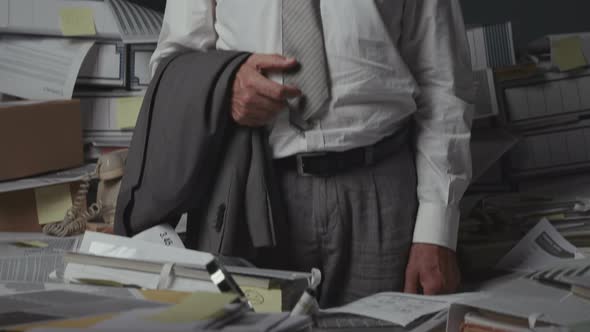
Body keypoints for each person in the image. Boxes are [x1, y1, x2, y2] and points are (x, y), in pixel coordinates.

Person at [151, 0, 474, 308]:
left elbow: (443, 82)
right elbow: (171, 65)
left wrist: (437, 230)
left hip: (382, 194)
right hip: (250, 189)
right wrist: (226, 87)